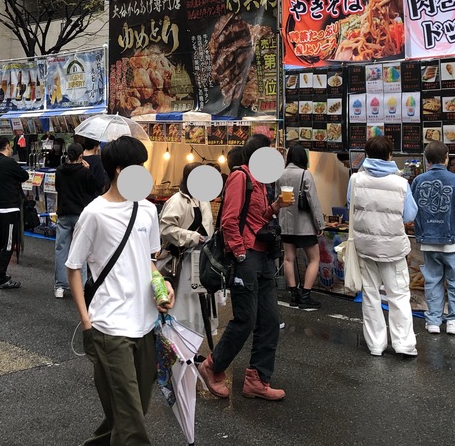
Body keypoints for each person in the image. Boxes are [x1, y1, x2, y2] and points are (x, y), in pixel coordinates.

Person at [65, 135, 173, 446]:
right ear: (119, 170)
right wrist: (87, 323)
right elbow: (74, 267)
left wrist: (162, 284)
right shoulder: (95, 213)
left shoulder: (148, 211)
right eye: (138, 167)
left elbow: (148, 262)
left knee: (130, 411)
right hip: (110, 327)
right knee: (132, 425)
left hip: (146, 324)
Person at [199, 133, 290, 401]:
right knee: (246, 319)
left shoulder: (260, 182)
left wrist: (274, 207)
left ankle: (258, 379)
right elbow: (228, 220)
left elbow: (256, 219)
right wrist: (239, 254)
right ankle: (212, 366)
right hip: (246, 258)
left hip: (261, 257)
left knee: (270, 319)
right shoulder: (241, 176)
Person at [349, 136, 418, 358]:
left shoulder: (355, 180)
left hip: (365, 246)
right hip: (393, 248)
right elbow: (410, 214)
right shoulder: (401, 184)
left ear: (367, 154)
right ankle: (404, 344)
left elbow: (351, 206)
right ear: (390, 156)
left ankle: (376, 345)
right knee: (398, 296)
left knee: (370, 295)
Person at [411, 141, 455, 336]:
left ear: (427, 158)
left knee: (433, 281)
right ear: (446, 157)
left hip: (428, 241)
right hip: (453, 240)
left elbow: (412, 209)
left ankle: (433, 321)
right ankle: (454, 320)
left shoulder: (418, 180)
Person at [160, 163, 218, 339]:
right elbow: (165, 228)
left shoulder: (203, 198)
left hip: (201, 260)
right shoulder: (176, 201)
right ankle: (179, 344)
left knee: (200, 305)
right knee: (184, 305)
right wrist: (191, 237)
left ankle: (194, 344)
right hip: (182, 262)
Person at [276, 144, 323, 310]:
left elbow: (276, 199)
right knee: (314, 258)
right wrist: (320, 223)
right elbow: (314, 203)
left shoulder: (279, 174)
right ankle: (306, 295)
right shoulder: (305, 174)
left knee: (288, 258)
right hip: (304, 226)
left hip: (285, 225)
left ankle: (293, 295)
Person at [54, 142, 101, 298]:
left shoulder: (60, 171)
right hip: (80, 215)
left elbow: (58, 188)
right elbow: (92, 189)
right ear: (81, 156)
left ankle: (60, 286)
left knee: (61, 249)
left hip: (63, 213)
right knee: (81, 250)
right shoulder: (84, 172)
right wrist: (86, 170)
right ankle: (79, 287)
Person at [0, 135, 30, 289]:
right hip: (9, 208)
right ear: (7, 146)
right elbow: (24, 175)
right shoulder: (8, 162)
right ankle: (2, 278)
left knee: (0, 242)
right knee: (9, 244)